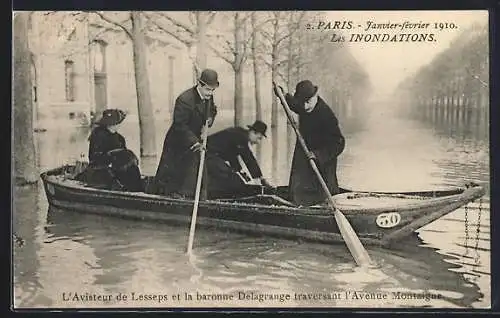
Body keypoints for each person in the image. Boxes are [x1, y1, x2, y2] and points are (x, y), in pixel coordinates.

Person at [153, 69, 219, 199]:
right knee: (174, 173)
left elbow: (212, 109)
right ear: (200, 85)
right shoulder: (184, 99)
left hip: (195, 136)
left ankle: (200, 198)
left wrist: (210, 119)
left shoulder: (208, 96)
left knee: (199, 166)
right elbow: (180, 125)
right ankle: (171, 197)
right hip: (178, 139)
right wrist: (194, 142)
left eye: (212, 90)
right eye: (208, 90)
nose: (210, 93)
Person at [279, 80, 345, 206]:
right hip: (304, 155)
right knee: (298, 190)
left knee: (322, 197)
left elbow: (339, 143)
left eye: (308, 102)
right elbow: (296, 105)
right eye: (302, 103)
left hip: (323, 163)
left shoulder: (326, 115)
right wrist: (284, 96)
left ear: (315, 96)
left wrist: (318, 155)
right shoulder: (305, 104)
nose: (305, 107)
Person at [75, 109, 143, 192]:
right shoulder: (98, 135)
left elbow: (124, 158)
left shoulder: (120, 138)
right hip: (102, 168)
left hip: (117, 167)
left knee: (133, 169)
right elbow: (94, 158)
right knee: (111, 178)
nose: (118, 125)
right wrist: (111, 157)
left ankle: (137, 191)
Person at [206, 120, 273, 198]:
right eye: (259, 138)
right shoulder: (240, 136)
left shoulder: (239, 135)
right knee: (232, 179)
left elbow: (232, 156)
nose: (258, 142)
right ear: (253, 132)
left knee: (235, 179)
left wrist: (242, 174)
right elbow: (248, 157)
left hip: (211, 155)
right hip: (208, 154)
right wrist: (261, 178)